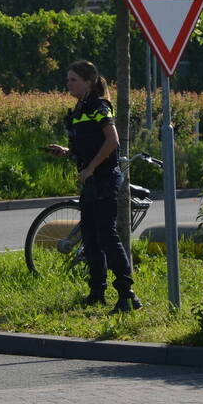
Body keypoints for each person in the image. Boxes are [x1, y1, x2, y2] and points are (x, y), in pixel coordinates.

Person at [45, 60, 141, 313]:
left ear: (88, 81)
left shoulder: (99, 106)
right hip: (90, 181)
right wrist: (66, 152)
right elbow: (86, 144)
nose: (68, 84)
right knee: (90, 236)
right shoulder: (79, 109)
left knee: (107, 235)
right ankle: (97, 292)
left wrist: (91, 168)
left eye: (73, 80)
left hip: (106, 179)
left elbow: (112, 140)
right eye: (68, 80)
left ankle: (127, 295)